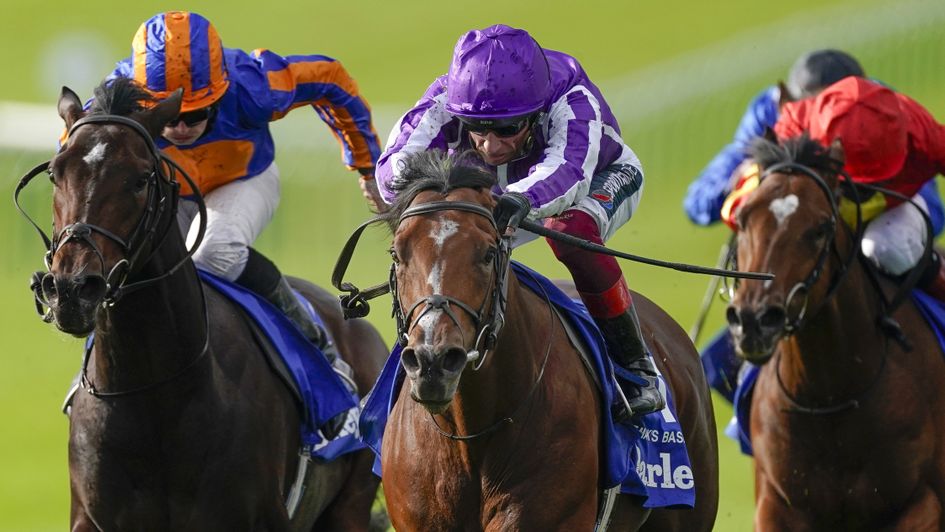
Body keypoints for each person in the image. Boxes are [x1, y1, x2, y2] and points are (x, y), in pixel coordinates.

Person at [106, 11, 382, 434]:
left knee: (214, 253)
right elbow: (77, 150)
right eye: (167, 115)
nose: (180, 128)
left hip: (242, 180)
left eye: (195, 114)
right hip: (167, 191)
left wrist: (366, 165)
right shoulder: (117, 98)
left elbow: (332, 79)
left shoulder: (255, 86)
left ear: (221, 94)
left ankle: (318, 347)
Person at [374, 24, 661, 420]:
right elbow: (393, 171)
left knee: (570, 231)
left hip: (598, 179)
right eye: (477, 129)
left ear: (537, 112)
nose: (490, 145)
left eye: (508, 129)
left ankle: (638, 368)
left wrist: (517, 199)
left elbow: (569, 171)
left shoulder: (573, 102)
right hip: (496, 192)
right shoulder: (449, 99)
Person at [772, 76, 945, 295]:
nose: (863, 194)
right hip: (825, 213)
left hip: (891, 211)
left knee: (887, 247)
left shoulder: (924, 135)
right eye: (858, 184)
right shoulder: (794, 127)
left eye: (874, 182)